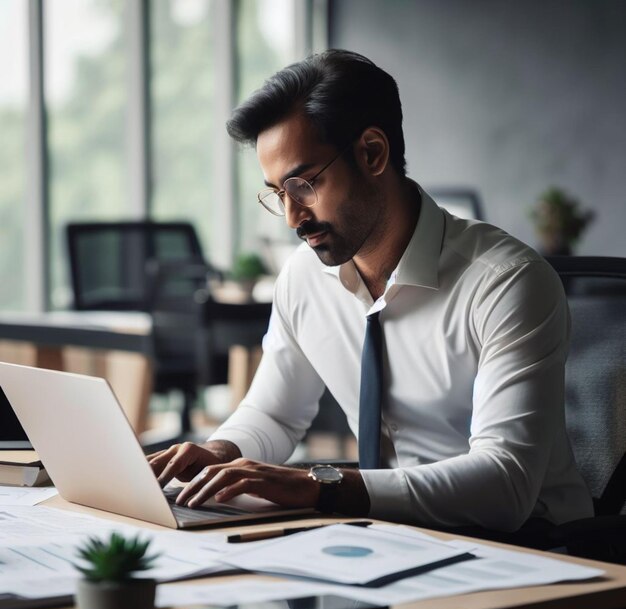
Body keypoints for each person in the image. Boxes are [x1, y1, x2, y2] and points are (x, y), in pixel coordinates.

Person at [148, 49, 592, 532]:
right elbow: (274, 415)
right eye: (278, 193)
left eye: (303, 184)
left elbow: (506, 484)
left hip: (531, 548)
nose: (293, 217)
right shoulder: (303, 278)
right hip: (387, 534)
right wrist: (220, 452)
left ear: (373, 153)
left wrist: (323, 488)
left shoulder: (505, 283)